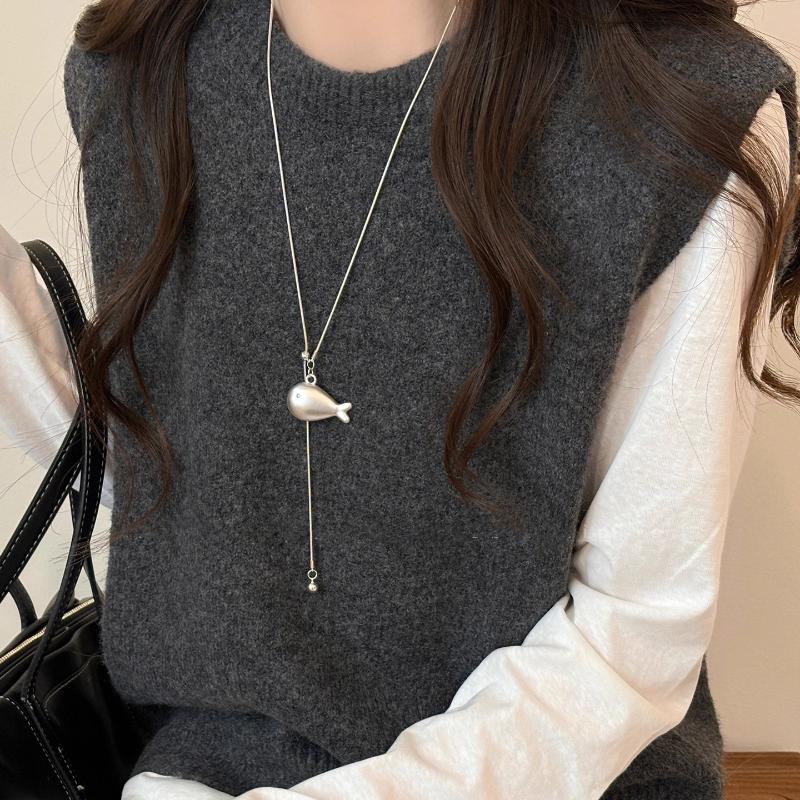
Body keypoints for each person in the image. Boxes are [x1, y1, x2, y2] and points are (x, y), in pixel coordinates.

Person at [1, 1, 798, 798]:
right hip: (205, 775)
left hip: (555, 773)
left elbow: (633, 633)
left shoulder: (683, 108)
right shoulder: (138, 64)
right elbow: (177, 498)